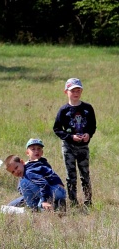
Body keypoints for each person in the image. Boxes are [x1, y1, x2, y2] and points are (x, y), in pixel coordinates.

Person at [53, 78, 96, 207]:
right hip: (69, 147)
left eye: (78, 90)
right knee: (71, 175)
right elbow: (57, 128)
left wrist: (89, 134)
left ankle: (88, 201)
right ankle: (73, 201)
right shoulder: (64, 110)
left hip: (83, 146)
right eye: (73, 91)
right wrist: (70, 137)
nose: (76, 93)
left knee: (85, 174)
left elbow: (92, 125)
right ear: (66, 92)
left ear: (81, 91)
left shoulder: (87, 108)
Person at [8, 138, 49, 207]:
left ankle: (36, 208)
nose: (36, 151)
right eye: (33, 149)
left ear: (42, 152)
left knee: (40, 206)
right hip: (29, 194)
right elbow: (20, 185)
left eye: (39, 149)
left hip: (43, 194)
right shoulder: (24, 166)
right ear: (27, 153)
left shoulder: (45, 165)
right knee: (10, 206)